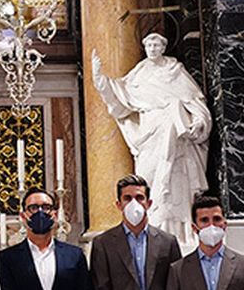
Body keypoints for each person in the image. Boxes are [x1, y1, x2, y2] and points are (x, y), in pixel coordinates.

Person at [89, 32, 212, 246]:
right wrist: (100, 80)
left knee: (175, 184)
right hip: (149, 135)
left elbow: (196, 102)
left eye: (156, 45)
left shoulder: (175, 71)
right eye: (149, 45)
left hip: (176, 136)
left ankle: (181, 233)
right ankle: (153, 231)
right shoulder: (139, 75)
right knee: (148, 180)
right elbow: (119, 100)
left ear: (163, 47)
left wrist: (199, 120)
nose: (153, 49)